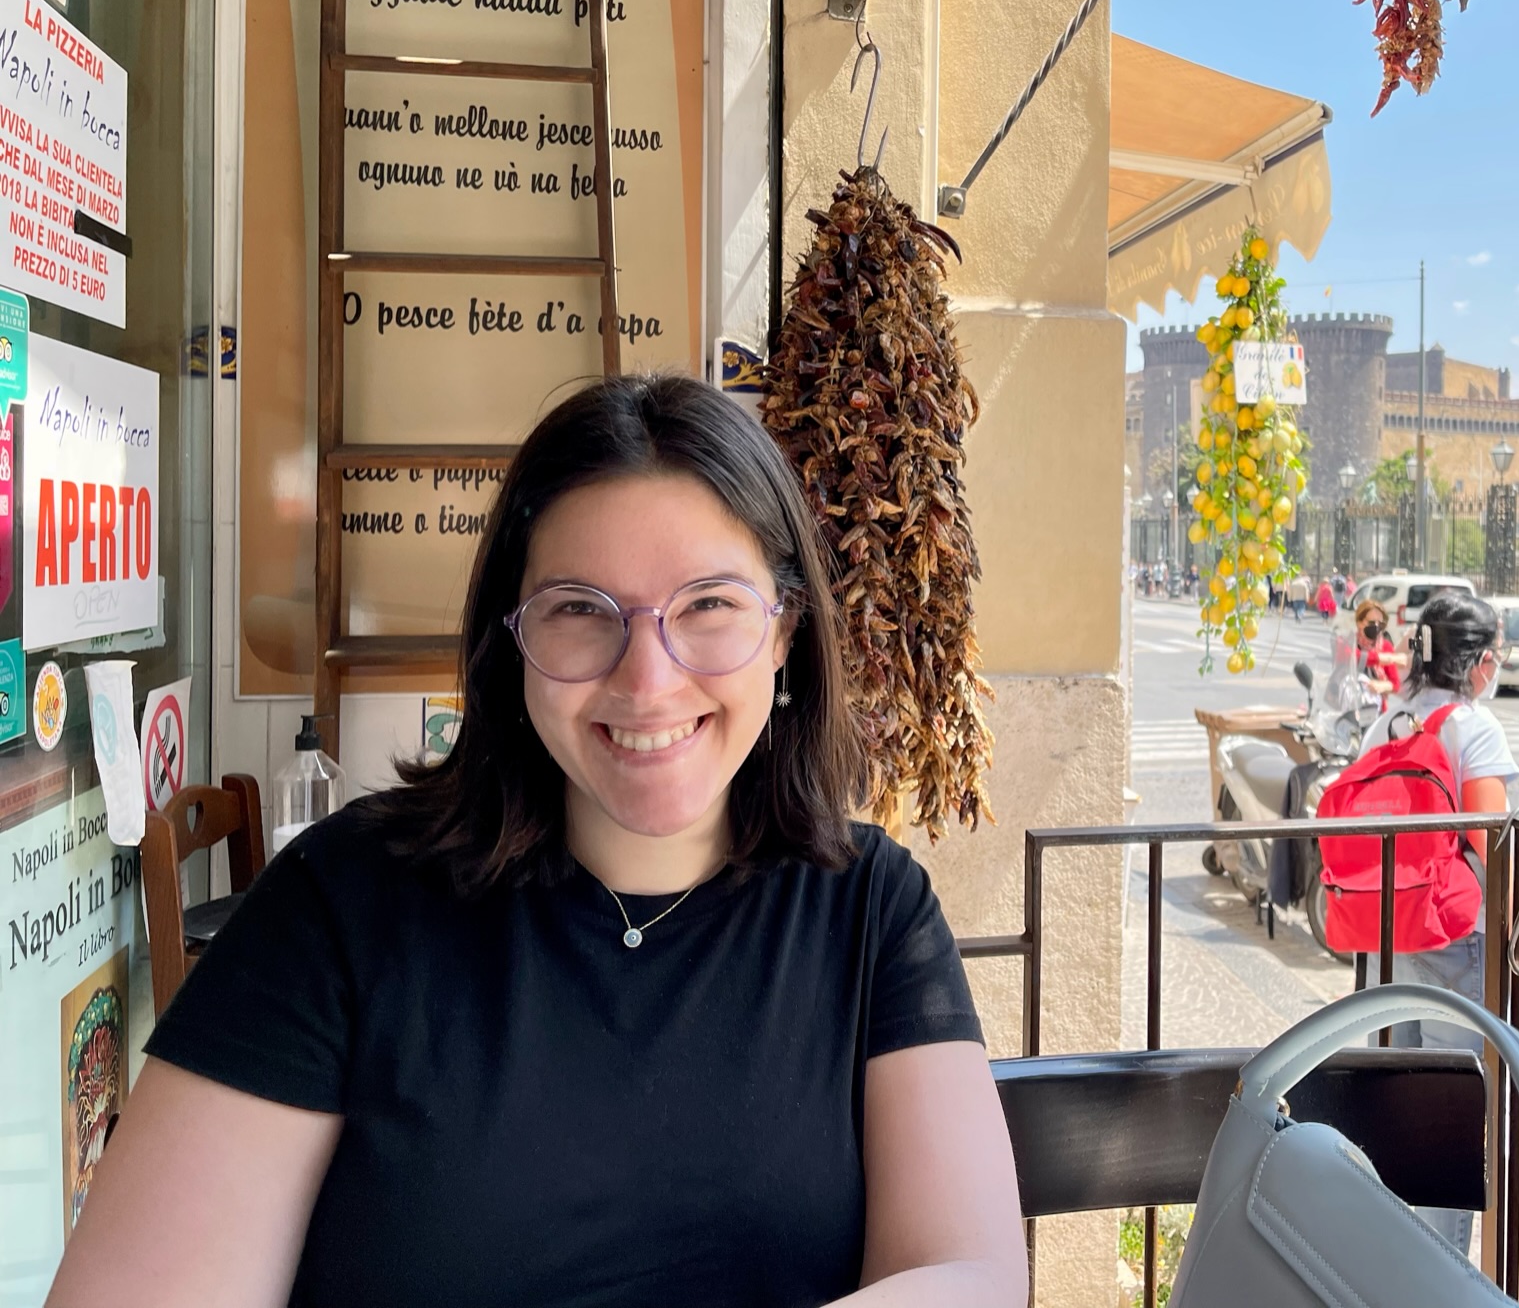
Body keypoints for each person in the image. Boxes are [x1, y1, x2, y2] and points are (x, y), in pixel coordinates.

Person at [51, 376, 1026, 1308]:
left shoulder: (870, 909)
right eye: (578, 612)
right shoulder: (338, 907)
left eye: (711, 607)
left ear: (785, 638)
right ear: (509, 643)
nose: (648, 680)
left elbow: (971, 1275)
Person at [1357, 591, 1518, 1255]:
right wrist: (1516, 936)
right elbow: (1492, 838)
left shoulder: (1389, 719)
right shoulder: (1472, 726)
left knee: (1395, 1116)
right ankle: (1441, 1283)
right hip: (1454, 939)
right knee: (1452, 1129)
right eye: (1495, 655)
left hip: (1385, 937)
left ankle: (1393, 1274)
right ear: (1478, 661)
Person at [1353, 595, 1407, 714]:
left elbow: (1395, 684)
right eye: (1372, 622)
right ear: (1359, 623)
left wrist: (1381, 686)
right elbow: (1356, 657)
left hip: (1376, 710)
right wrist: (1389, 658)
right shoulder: (1348, 641)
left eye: (1380, 624)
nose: (1376, 627)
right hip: (1350, 708)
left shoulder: (1385, 646)